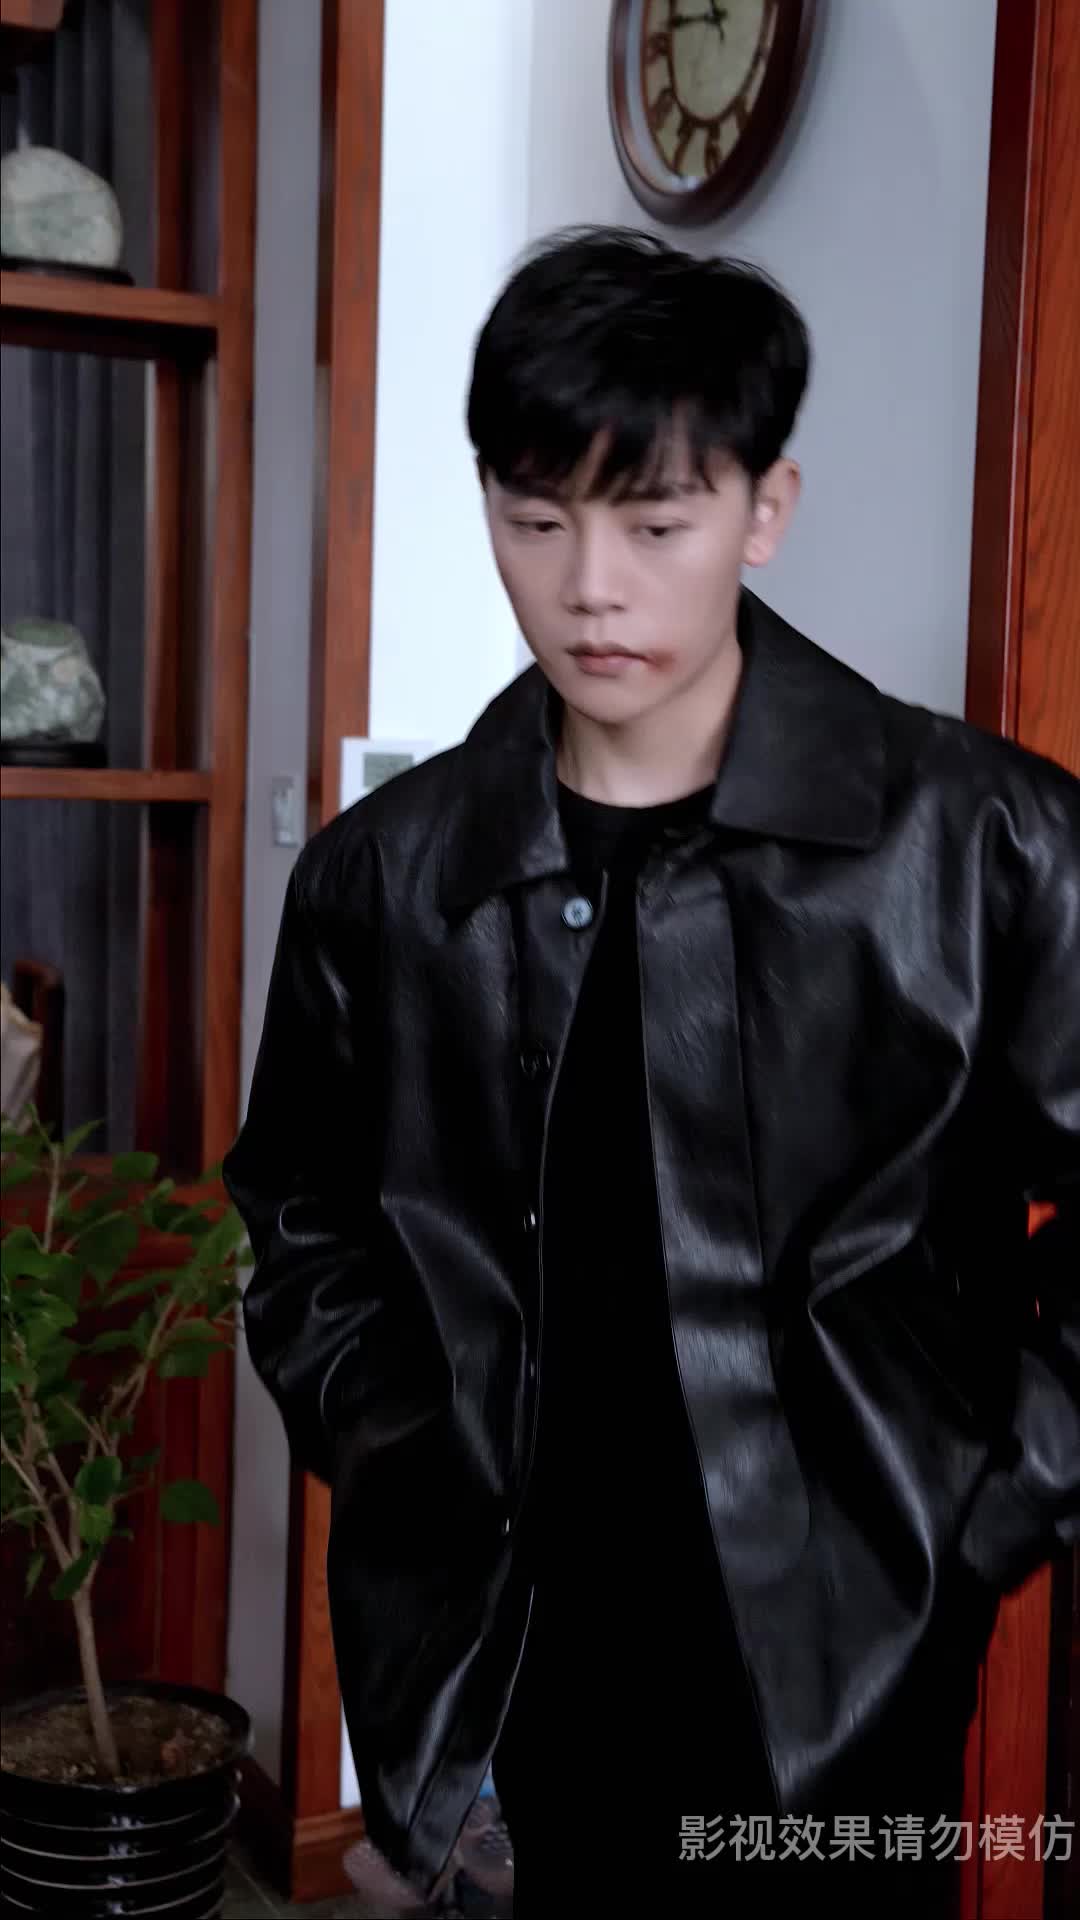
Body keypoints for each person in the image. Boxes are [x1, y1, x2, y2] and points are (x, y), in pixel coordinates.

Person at [223, 227, 1079, 1918]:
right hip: (513, 1643)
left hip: (850, 1649)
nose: (591, 587)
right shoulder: (387, 878)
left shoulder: (983, 843)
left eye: (656, 522)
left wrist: (983, 1509)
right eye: (537, 521)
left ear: (765, 510)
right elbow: (299, 1210)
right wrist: (395, 1442)